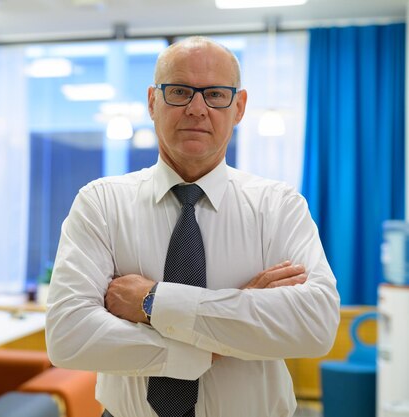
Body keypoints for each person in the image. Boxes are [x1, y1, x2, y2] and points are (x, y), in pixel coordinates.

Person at [45, 36, 340, 417]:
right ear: (153, 101)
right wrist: (224, 331)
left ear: (239, 107)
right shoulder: (101, 203)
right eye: (180, 91)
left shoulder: (278, 206)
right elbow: (69, 337)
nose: (197, 109)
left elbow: (314, 326)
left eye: (216, 94)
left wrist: (153, 302)